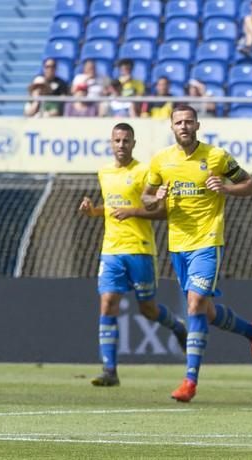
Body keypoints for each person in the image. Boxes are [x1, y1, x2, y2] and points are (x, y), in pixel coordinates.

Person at [141, 105, 252, 403]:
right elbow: (147, 197)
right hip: (178, 245)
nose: (184, 126)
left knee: (195, 303)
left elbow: (249, 186)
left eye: (188, 121)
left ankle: (190, 381)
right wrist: (154, 198)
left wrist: (226, 187)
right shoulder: (161, 160)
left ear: (197, 125)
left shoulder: (217, 157)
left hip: (208, 240)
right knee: (206, 311)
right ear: (171, 127)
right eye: (178, 122)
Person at [78, 123, 188, 386]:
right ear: (111, 143)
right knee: (107, 304)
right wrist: (93, 211)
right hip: (112, 250)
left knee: (147, 309)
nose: (121, 145)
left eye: (126, 141)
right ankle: (110, 370)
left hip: (140, 249)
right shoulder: (104, 173)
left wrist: (133, 212)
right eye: (117, 140)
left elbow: (161, 211)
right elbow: (112, 207)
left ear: (133, 144)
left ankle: (177, 326)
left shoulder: (143, 172)